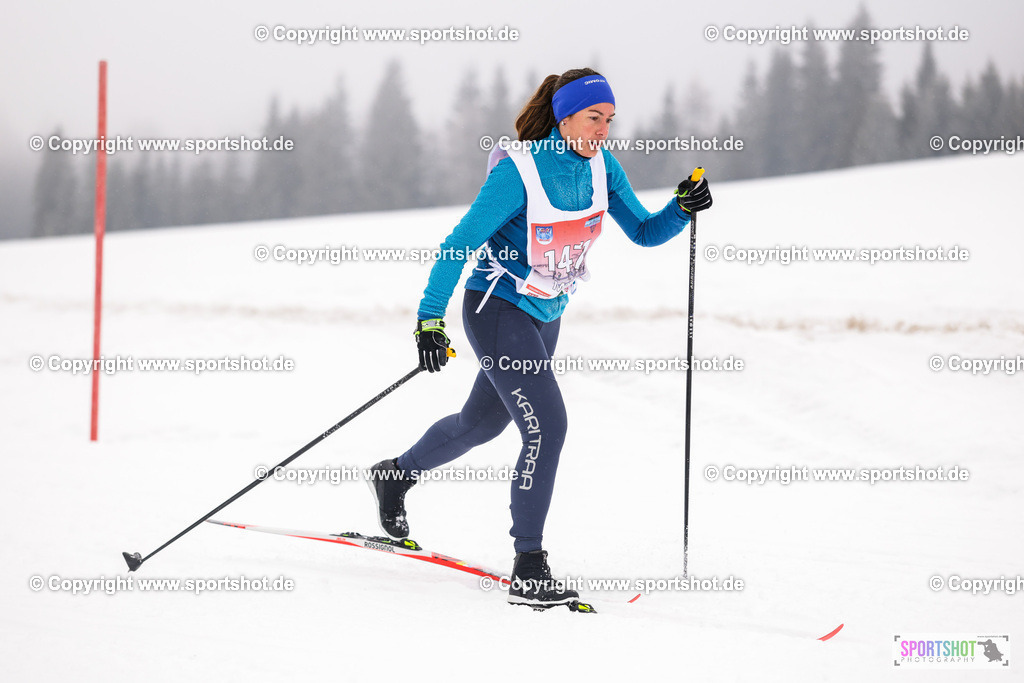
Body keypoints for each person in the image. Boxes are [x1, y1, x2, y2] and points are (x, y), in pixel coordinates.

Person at [367, 67, 712, 609]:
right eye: (594, 118)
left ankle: (394, 475)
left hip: (545, 315)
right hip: (497, 307)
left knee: (480, 423)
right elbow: (458, 245)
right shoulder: (519, 172)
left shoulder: (603, 169)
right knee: (548, 427)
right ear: (565, 115)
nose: (603, 130)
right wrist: (429, 320)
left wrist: (681, 209)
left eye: (610, 120)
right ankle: (529, 564)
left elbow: (644, 232)